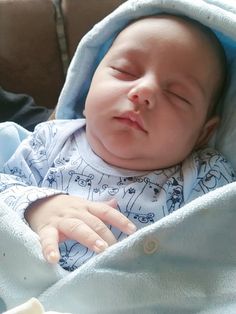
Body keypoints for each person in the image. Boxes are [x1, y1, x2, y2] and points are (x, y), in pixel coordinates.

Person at [0, 15, 235, 272]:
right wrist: (38, 205)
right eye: (125, 71)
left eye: (177, 95)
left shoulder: (205, 176)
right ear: (88, 83)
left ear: (203, 132)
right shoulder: (50, 140)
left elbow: (219, 260)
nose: (144, 90)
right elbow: (5, 184)